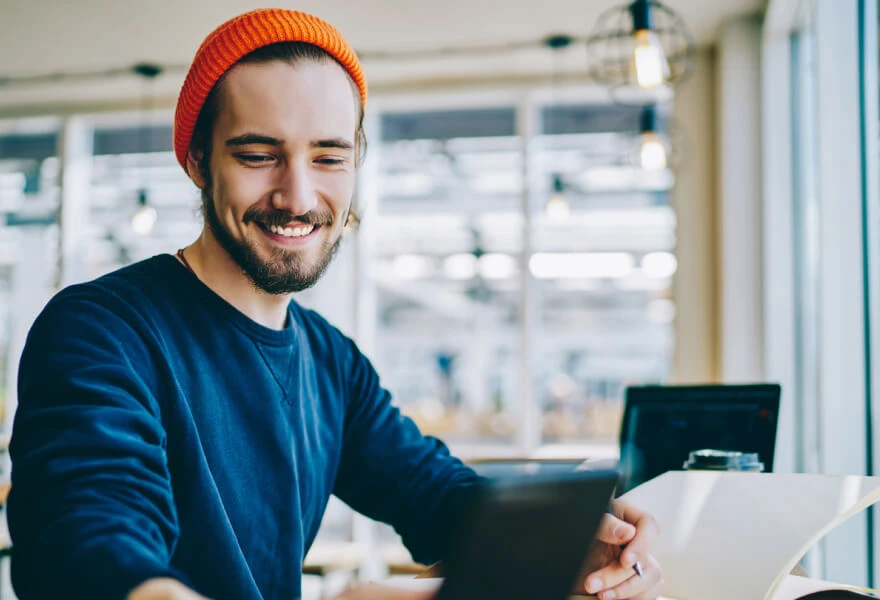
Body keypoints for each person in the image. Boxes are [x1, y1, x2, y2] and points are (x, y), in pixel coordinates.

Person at [6, 8, 662, 600]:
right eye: (259, 155)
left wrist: (574, 548)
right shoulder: (101, 330)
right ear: (199, 160)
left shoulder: (331, 363)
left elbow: (436, 495)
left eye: (328, 157)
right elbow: (88, 540)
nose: (296, 196)